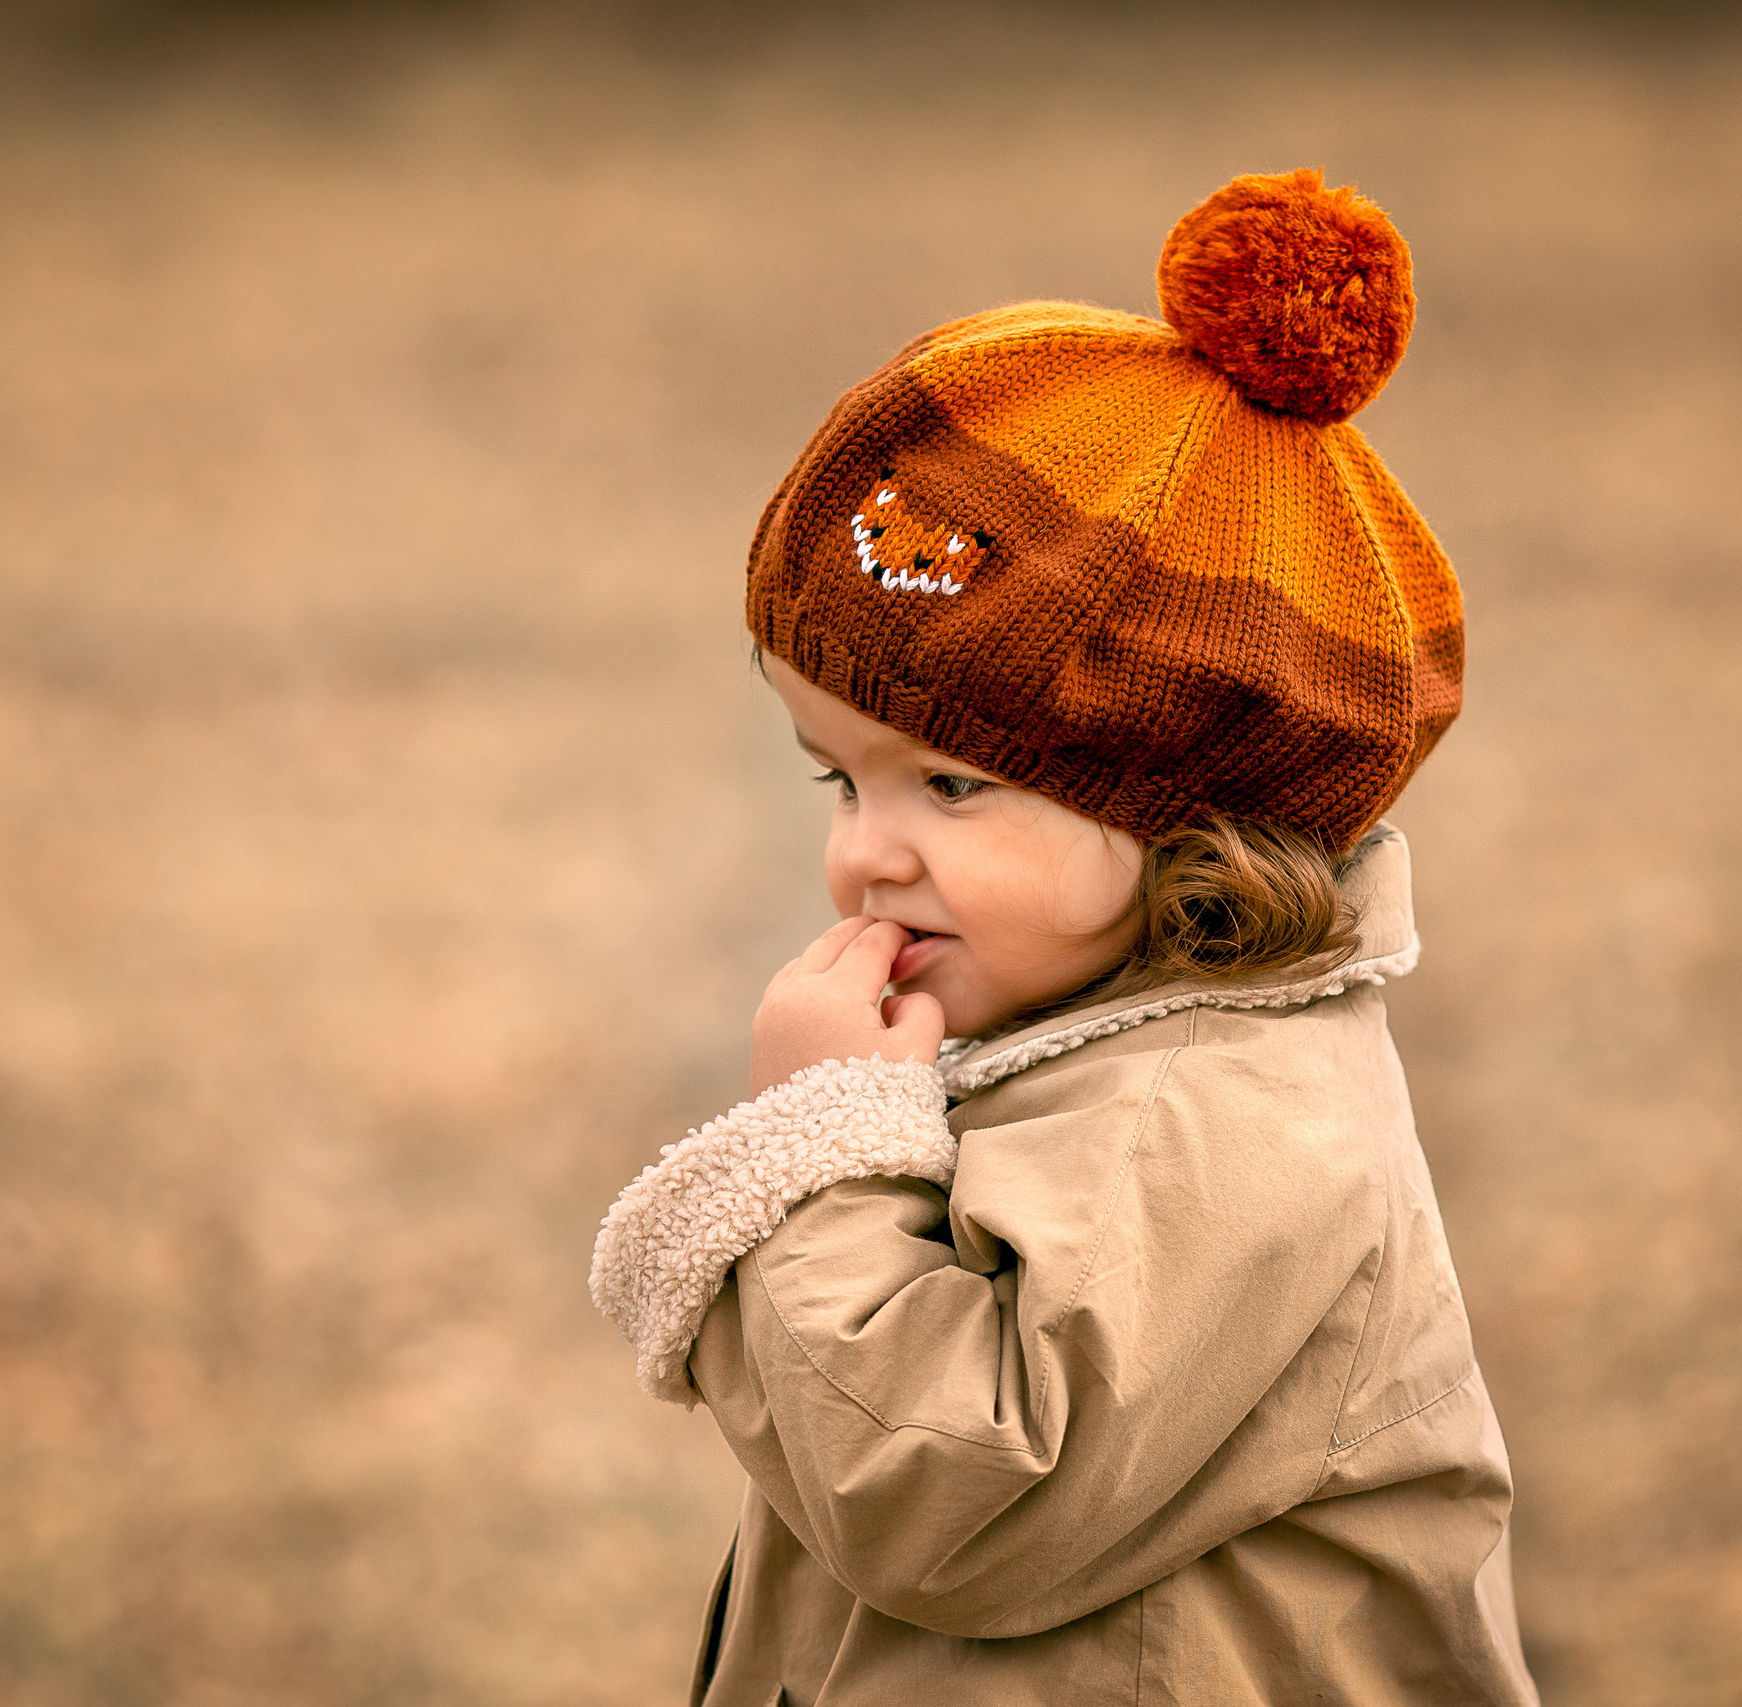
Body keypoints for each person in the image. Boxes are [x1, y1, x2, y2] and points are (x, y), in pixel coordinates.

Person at [590, 168, 1539, 1706]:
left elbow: (954, 1507)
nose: (861, 855)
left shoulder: (1213, 1126)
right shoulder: (1068, 1032)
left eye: (953, 782)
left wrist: (823, 1158)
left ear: (1188, 815)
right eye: (842, 776)